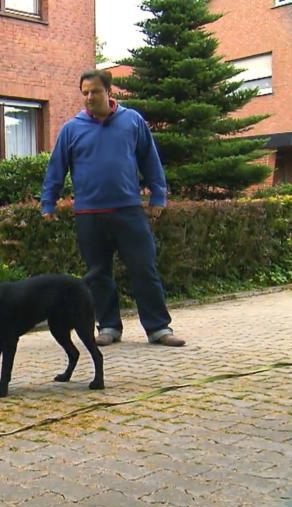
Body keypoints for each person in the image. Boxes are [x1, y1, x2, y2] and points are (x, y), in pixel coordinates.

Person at [41, 69, 186, 347]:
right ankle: (108, 326)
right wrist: (48, 202)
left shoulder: (132, 121)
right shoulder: (72, 129)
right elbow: (55, 169)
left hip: (128, 211)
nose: (89, 97)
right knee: (98, 274)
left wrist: (158, 196)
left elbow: (150, 160)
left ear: (109, 92)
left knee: (144, 269)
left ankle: (158, 328)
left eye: (95, 91)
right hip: (89, 215)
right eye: (85, 93)